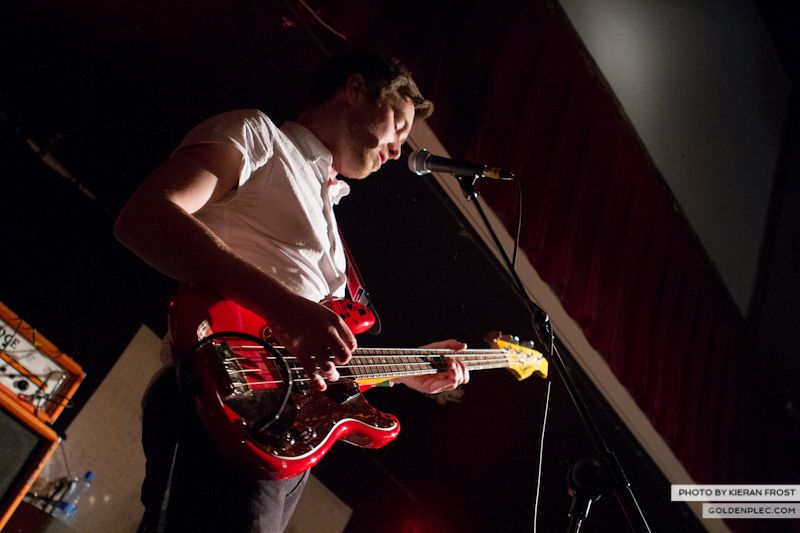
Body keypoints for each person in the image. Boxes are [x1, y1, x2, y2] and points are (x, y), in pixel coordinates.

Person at [114, 51, 470, 532]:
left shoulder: (333, 220)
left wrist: (404, 373)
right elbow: (145, 219)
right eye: (398, 125)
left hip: (286, 435)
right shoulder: (260, 136)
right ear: (356, 89)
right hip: (221, 401)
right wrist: (284, 308)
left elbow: (313, 355)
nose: (398, 149)